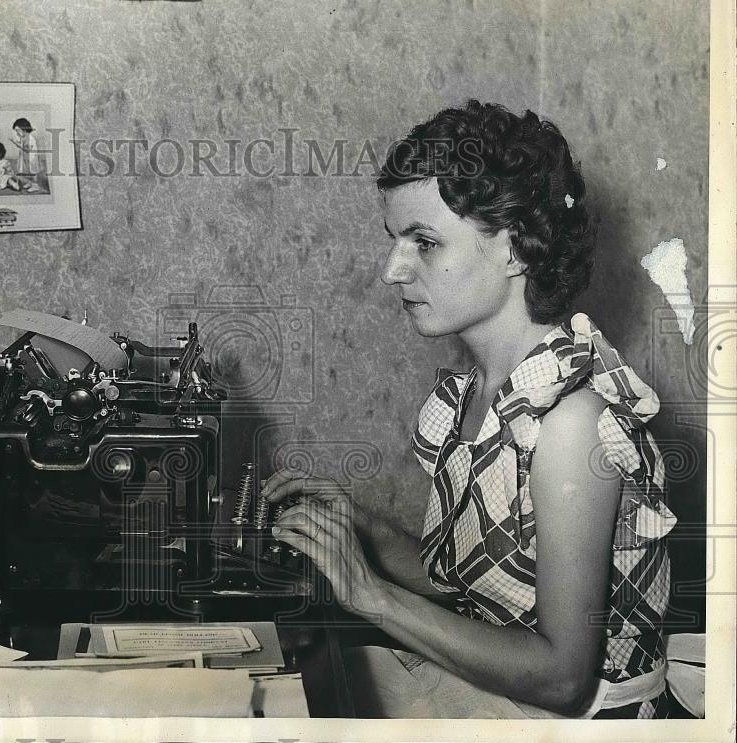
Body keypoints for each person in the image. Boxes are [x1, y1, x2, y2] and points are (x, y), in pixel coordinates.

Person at [263, 100, 676, 719]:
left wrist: (371, 595)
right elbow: (472, 591)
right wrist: (365, 533)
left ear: (516, 251)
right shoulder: (481, 391)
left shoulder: (572, 421)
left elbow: (562, 676)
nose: (392, 270)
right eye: (395, 240)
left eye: (424, 243)